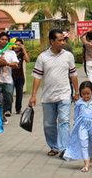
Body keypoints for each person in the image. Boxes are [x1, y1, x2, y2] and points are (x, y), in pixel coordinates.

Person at [29, 28, 79, 157]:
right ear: (52, 41)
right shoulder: (43, 57)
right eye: (60, 40)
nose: (63, 43)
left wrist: (77, 92)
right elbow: (37, 77)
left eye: (63, 40)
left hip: (64, 94)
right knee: (49, 124)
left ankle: (64, 148)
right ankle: (54, 146)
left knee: (64, 121)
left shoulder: (68, 56)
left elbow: (73, 74)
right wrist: (33, 95)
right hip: (48, 96)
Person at [64, 81, 92, 172]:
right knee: (83, 142)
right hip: (81, 125)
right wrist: (75, 123)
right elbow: (76, 114)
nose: (86, 96)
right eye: (83, 94)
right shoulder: (79, 103)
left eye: (88, 93)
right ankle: (86, 164)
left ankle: (91, 158)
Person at [0, 32, 19, 124]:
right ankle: (1, 118)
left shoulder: (11, 53)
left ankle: (4, 113)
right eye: (2, 39)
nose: (4, 41)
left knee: (8, 98)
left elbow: (16, 65)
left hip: (8, 80)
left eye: (6, 40)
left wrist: (6, 63)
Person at [11, 38, 30, 114]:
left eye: (19, 45)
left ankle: (18, 109)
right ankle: (8, 109)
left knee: (19, 94)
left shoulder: (22, 54)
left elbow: (28, 60)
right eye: (16, 45)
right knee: (9, 93)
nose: (17, 46)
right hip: (11, 76)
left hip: (20, 76)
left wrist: (24, 49)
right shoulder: (10, 53)